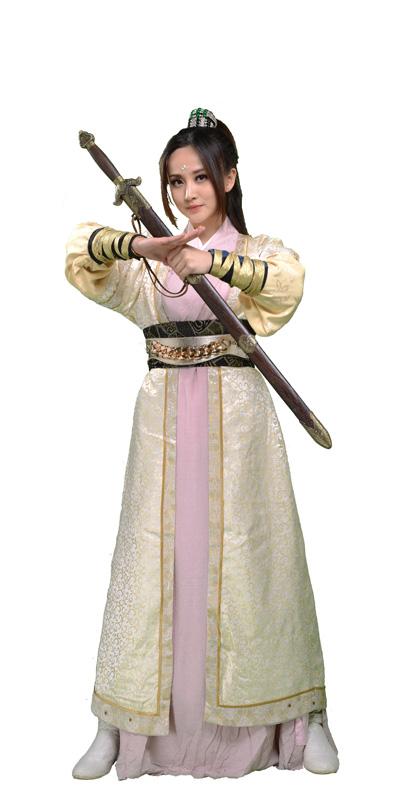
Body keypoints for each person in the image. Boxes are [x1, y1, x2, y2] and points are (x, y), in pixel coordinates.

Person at [65, 107, 339, 780]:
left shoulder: (256, 252)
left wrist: (209, 260)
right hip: (163, 423)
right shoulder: (151, 264)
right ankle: (120, 723)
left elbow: (289, 284)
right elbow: (79, 253)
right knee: (150, 560)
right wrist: (145, 248)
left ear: (229, 178)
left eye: (201, 178)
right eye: (175, 181)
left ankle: (302, 717)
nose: (188, 193)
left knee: (257, 563)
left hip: (238, 423)